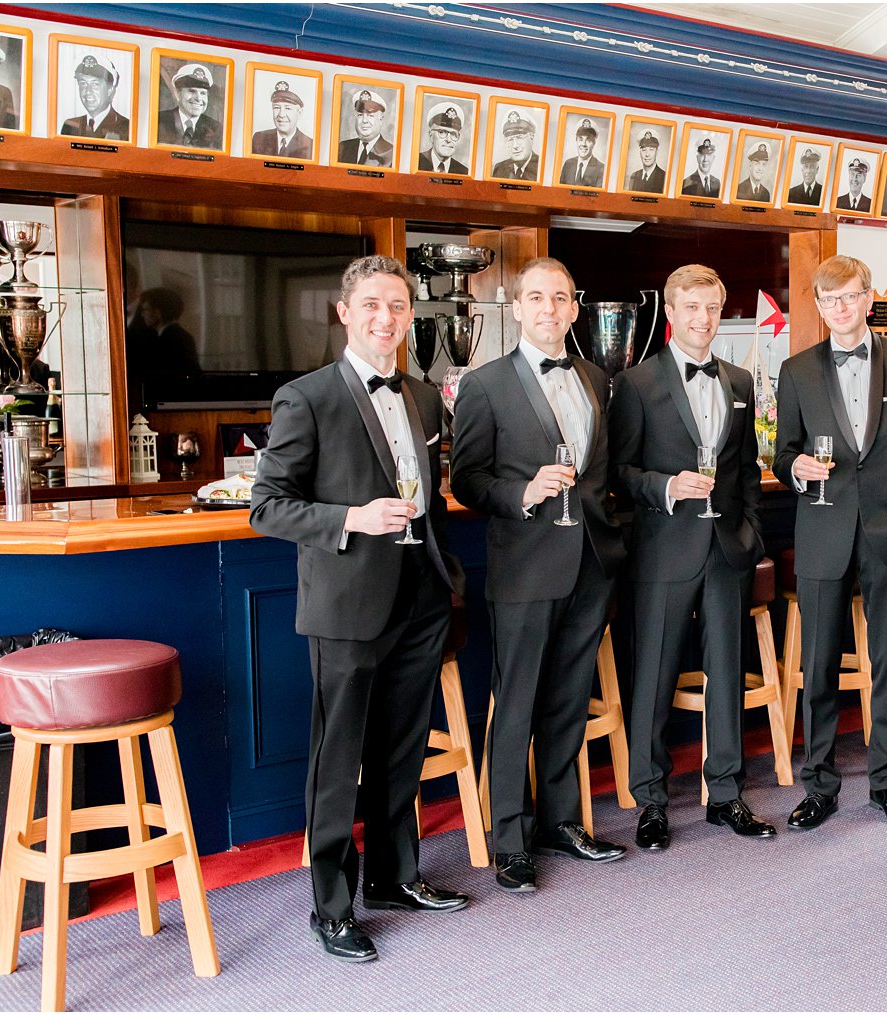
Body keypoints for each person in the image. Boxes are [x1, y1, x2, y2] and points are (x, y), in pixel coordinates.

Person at [250, 255, 469, 964]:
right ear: (344, 312)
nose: (386, 318)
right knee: (337, 759)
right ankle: (332, 906)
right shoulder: (305, 396)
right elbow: (267, 506)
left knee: (401, 748)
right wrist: (351, 516)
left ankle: (395, 876)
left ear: (411, 316)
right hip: (345, 600)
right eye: (372, 304)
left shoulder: (425, 396)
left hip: (419, 591)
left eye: (398, 306)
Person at [449, 257, 628, 894]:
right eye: (537, 298)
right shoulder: (486, 383)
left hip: (593, 561)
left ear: (575, 309)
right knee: (517, 700)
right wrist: (522, 492)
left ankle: (560, 822)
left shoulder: (595, 377)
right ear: (518, 308)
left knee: (568, 699)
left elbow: (605, 471)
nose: (550, 309)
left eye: (561, 297)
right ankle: (510, 838)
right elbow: (465, 480)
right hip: (525, 563)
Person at [771, 254, 887, 831]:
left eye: (850, 297)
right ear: (819, 308)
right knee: (818, 665)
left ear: (869, 299)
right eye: (830, 300)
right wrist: (796, 466)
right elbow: (782, 453)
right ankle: (819, 784)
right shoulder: (795, 370)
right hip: (822, 532)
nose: (841, 309)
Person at [609, 264, 776, 850]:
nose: (703, 319)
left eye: (712, 308)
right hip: (663, 549)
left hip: (727, 547)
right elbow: (619, 473)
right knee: (652, 675)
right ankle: (650, 801)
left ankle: (726, 795)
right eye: (692, 308)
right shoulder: (635, 383)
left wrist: (750, 531)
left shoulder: (740, 381)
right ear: (671, 314)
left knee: (727, 674)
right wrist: (664, 486)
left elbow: (748, 469)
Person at [59, 52, 129, 140]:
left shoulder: (127, 128)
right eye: (83, 83)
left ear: (110, 90)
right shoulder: (70, 126)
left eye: (95, 84)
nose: (88, 91)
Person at [155, 63, 223, 149]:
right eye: (192, 91)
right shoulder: (159, 121)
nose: (198, 98)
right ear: (178, 94)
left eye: (203, 93)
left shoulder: (216, 129)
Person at [250, 80, 312, 159]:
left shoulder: (309, 145)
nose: (281, 114)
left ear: (299, 112)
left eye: (288, 108)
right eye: (277, 107)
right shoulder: (259, 139)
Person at [336, 89, 394, 167]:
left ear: (381, 119)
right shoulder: (344, 147)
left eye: (370, 115)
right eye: (360, 115)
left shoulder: (391, 153)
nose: (364, 120)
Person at [417, 102, 468, 175]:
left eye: (453, 134)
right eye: (442, 132)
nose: (448, 140)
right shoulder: (416, 163)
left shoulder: (463, 172)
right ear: (431, 136)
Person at [490, 110, 539, 180]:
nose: (515, 146)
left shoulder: (542, 168)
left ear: (531, 137)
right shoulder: (499, 168)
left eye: (519, 138)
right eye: (510, 140)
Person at [558, 117, 605, 187]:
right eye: (580, 139)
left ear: (594, 143)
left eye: (588, 140)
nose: (583, 144)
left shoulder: (601, 169)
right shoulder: (568, 164)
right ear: (576, 140)